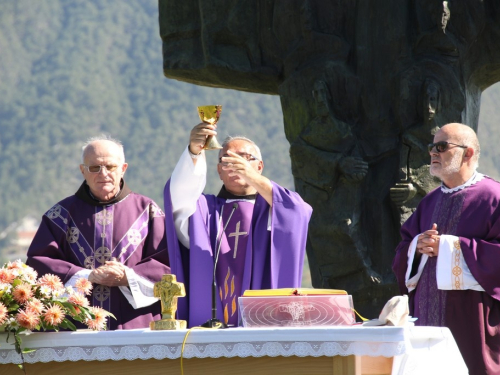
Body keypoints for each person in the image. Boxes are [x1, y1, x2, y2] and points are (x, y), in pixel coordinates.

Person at [164, 123, 312, 327]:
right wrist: (194, 153)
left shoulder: (272, 209)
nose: (235, 164)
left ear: (260, 167)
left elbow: (298, 212)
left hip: (262, 320)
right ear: (219, 171)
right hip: (211, 319)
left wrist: (252, 177)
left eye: (244, 158)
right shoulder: (205, 211)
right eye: (227, 159)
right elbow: (179, 197)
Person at [27, 136, 170, 329]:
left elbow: (168, 264)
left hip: (134, 326)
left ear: (123, 168)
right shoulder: (60, 215)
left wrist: (128, 277)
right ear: (82, 170)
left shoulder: (148, 211)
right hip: (76, 326)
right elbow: (38, 264)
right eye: (94, 167)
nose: (103, 173)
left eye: (110, 166)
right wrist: (86, 277)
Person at [392, 123, 500, 374]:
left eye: (442, 146)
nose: (433, 153)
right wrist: (416, 248)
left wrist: (451, 248)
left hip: (471, 321)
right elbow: (402, 250)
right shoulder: (430, 200)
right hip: (425, 320)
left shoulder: (493, 196)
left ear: (468, 153)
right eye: (432, 147)